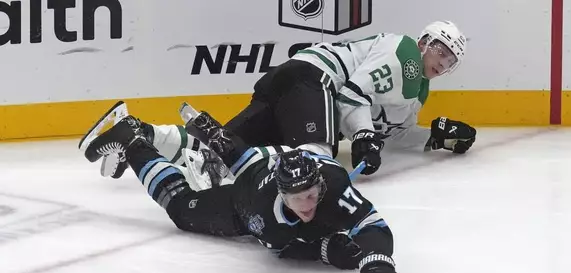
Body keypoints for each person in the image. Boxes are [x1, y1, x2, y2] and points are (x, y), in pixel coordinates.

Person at [80, 105, 401, 273]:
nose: (307, 204)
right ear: (281, 193)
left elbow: (372, 225)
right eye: (297, 198)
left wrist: (376, 260)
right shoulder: (262, 212)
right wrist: (324, 249)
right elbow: (281, 248)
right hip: (245, 192)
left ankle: (165, 134)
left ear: (319, 184)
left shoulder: (331, 185)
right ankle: (133, 141)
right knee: (181, 207)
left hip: (282, 157)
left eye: (311, 194)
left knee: (227, 154)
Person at [100, 21, 476, 179]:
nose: (443, 61)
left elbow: (388, 133)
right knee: (315, 162)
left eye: (451, 59)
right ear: (425, 41)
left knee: (224, 148)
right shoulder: (405, 53)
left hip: (291, 85)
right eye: (441, 49)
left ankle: (135, 136)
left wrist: (432, 136)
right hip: (311, 84)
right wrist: (361, 136)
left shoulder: (415, 94)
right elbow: (352, 94)